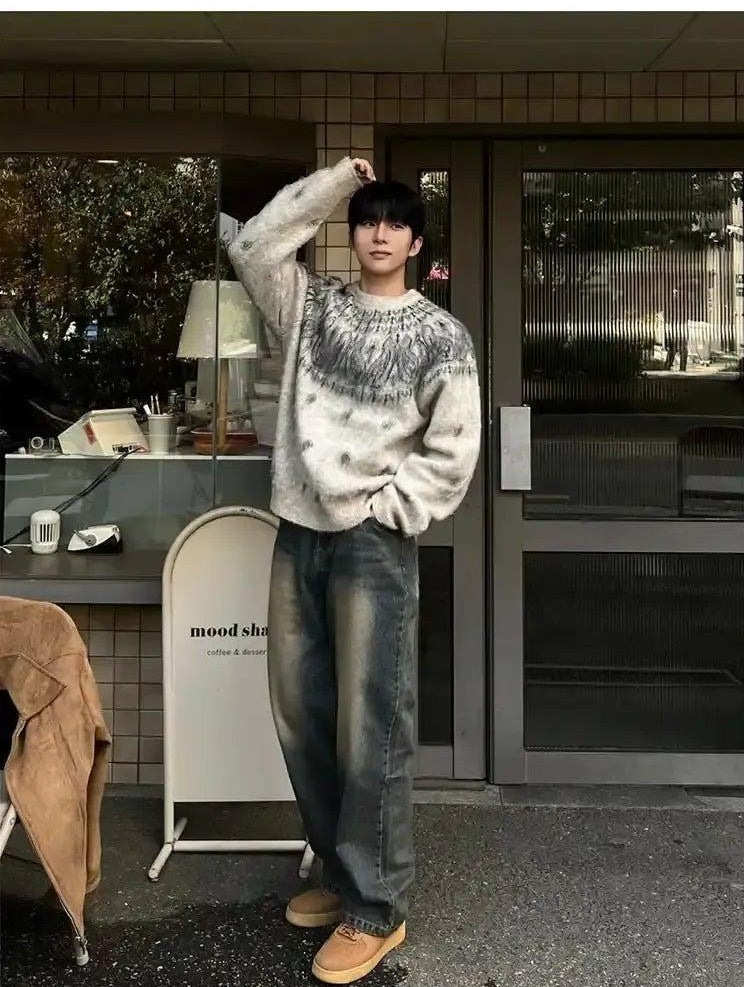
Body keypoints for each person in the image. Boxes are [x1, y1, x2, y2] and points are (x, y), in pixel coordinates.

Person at [228, 156, 481, 984]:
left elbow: (453, 447)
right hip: (298, 532)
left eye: (395, 222)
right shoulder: (313, 308)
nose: (378, 232)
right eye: (366, 219)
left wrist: (390, 511)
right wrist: (337, 180)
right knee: (301, 713)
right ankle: (342, 875)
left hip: (373, 543)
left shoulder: (440, 337)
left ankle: (377, 908)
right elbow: (254, 246)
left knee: (372, 726)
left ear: (415, 243)